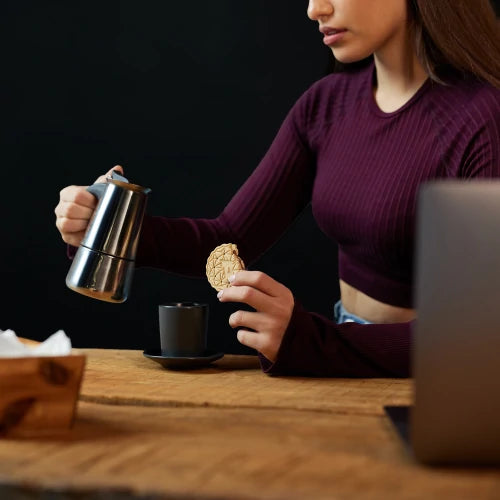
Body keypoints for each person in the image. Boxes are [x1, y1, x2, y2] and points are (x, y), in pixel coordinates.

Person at [55, 0, 500, 377]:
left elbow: (478, 334)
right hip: (346, 352)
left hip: (439, 374)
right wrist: (106, 229)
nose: (314, 9)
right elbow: (225, 240)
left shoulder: (483, 121)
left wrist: (312, 341)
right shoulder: (326, 105)